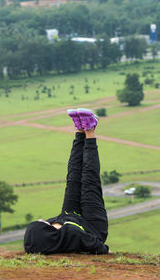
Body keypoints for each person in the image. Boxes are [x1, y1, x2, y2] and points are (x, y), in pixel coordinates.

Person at [24, 108, 109, 255]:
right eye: (41, 223)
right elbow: (102, 248)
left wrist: (56, 224)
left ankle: (79, 131)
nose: (41, 220)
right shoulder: (72, 234)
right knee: (89, 179)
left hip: (69, 215)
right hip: (93, 225)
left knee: (73, 178)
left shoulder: (53, 227)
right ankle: (90, 130)